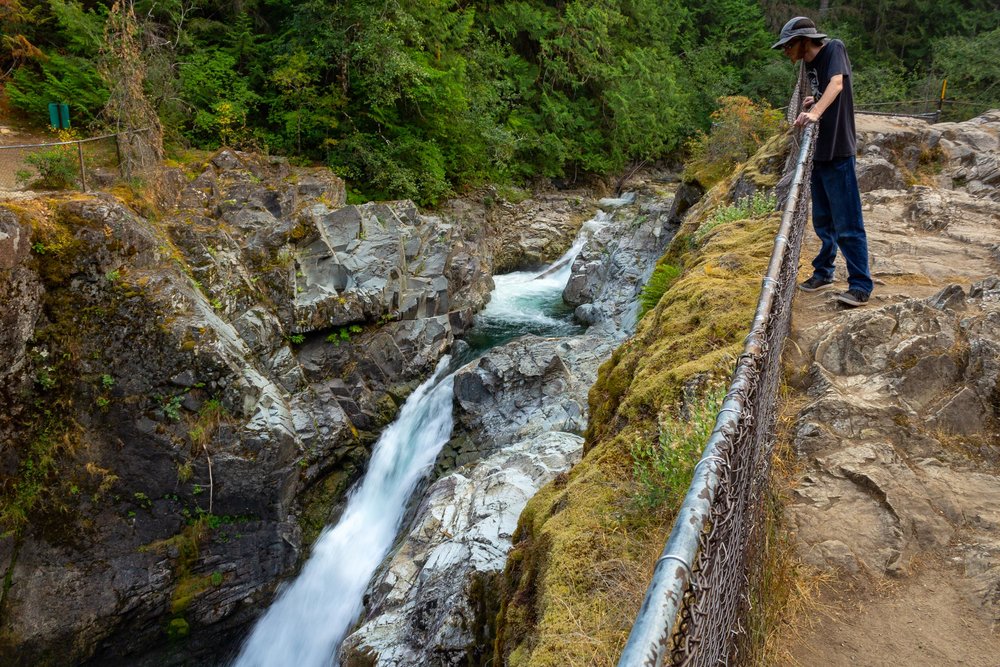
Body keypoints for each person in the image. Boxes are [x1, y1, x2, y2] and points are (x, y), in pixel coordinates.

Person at [772, 16, 873, 307]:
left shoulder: (834, 49)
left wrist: (815, 111)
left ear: (804, 41)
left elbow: (837, 84)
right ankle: (824, 272)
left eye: (788, 46)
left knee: (848, 222)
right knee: (823, 220)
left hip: (838, 149)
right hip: (819, 151)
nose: (786, 52)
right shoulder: (809, 64)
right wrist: (811, 100)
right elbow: (824, 91)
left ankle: (860, 285)